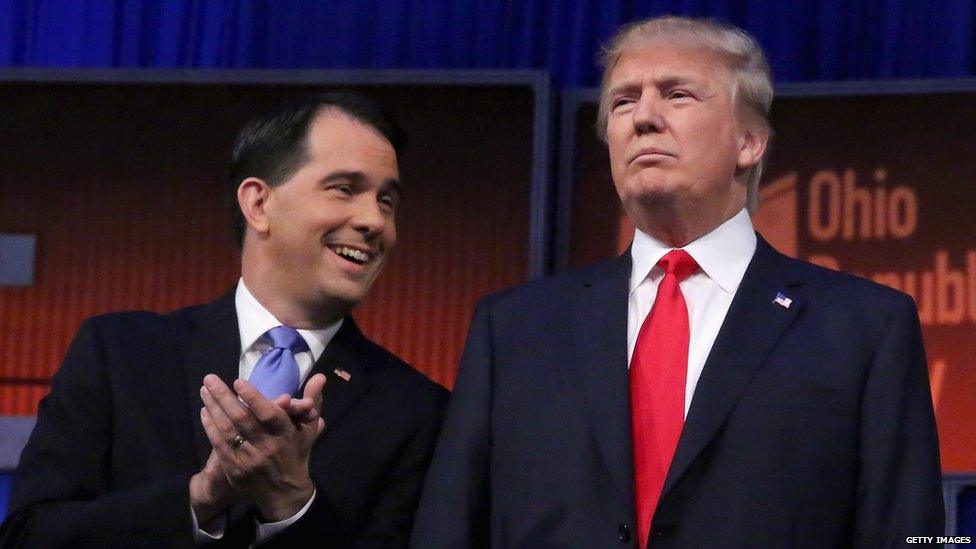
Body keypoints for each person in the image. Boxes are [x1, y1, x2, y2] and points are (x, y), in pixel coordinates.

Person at [412, 16, 944, 548]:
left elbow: (903, 532)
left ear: (750, 142)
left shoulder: (864, 327)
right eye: (622, 101)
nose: (643, 117)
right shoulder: (513, 329)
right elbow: (448, 529)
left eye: (678, 95)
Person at [0, 92, 448, 548]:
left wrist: (292, 503)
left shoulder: (418, 412)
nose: (374, 220)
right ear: (258, 203)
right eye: (345, 189)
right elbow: (29, 537)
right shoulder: (121, 354)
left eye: (387, 200)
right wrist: (201, 496)